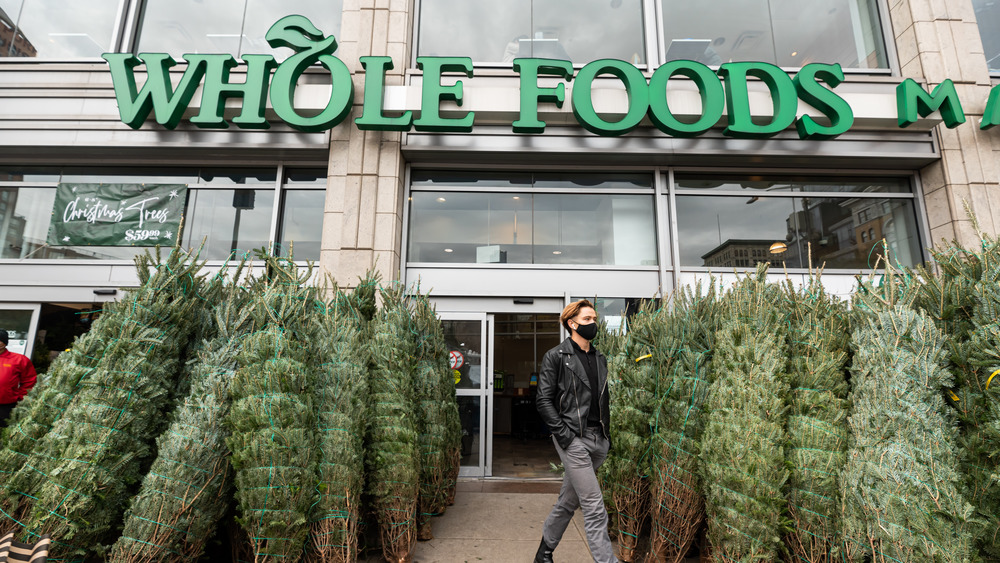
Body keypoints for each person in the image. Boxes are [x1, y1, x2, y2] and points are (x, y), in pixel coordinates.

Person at [534, 300, 616, 563]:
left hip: (598, 439)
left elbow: (601, 400)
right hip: (573, 439)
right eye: (588, 319)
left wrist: (606, 438)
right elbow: (543, 400)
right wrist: (565, 436)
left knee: (569, 501)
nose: (594, 323)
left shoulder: (600, 358)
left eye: (594, 318)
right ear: (572, 323)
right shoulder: (556, 356)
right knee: (593, 505)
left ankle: (543, 553)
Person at [0, 330, 37, 428]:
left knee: (4, 434)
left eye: (0, 340)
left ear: (5, 343)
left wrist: (20, 398)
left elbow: (30, 381)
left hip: (6, 406)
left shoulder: (19, 360)